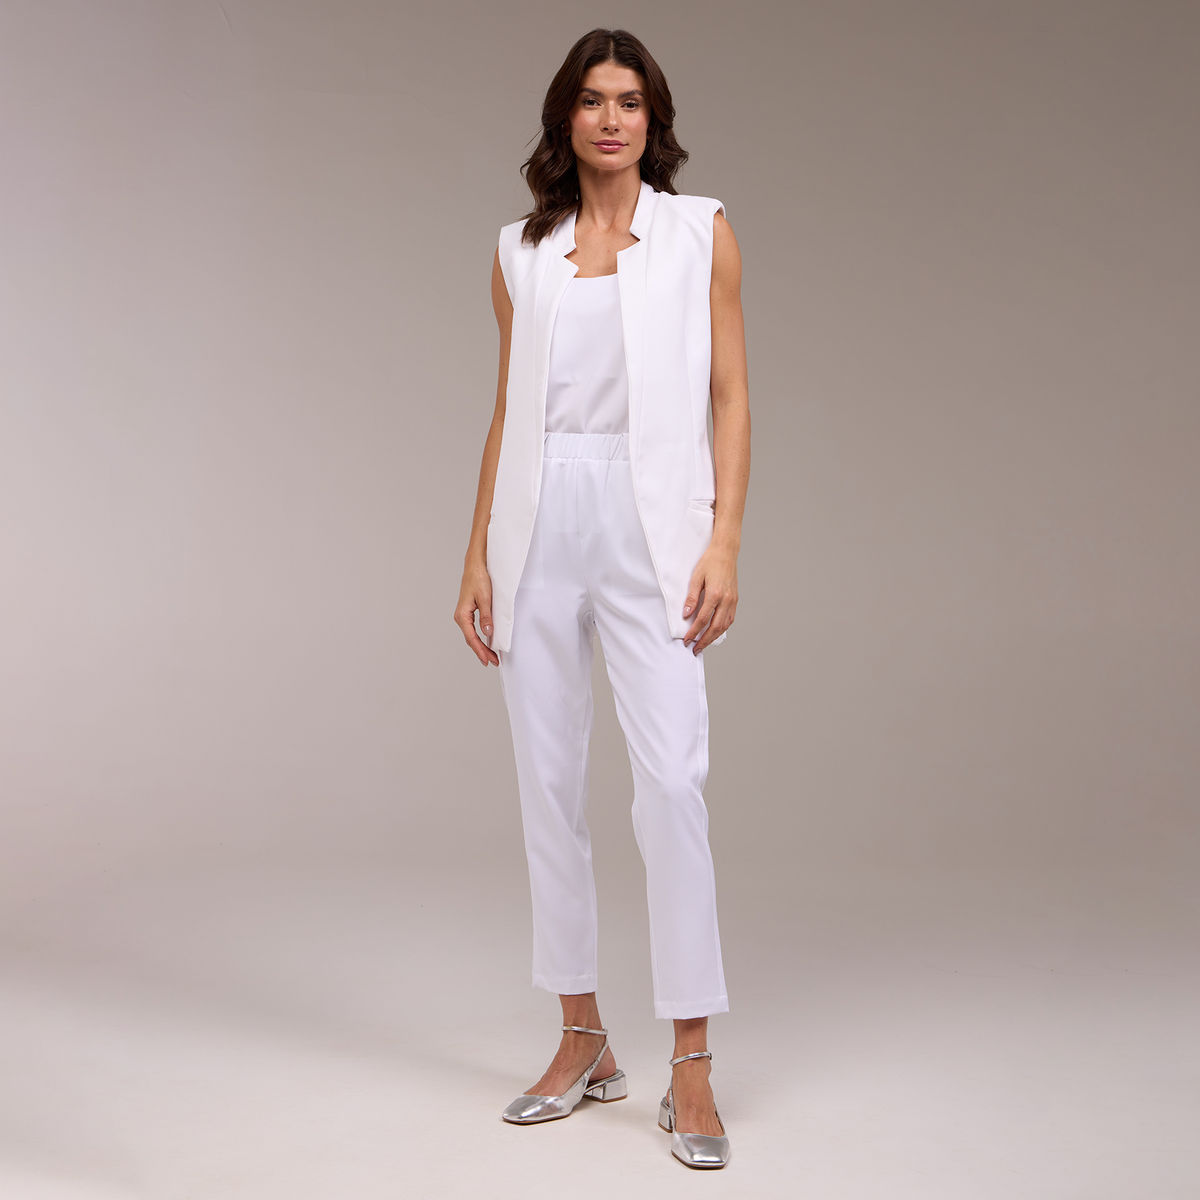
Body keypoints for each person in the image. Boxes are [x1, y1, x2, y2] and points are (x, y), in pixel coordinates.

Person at [453, 27, 750, 1170]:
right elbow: (508, 408)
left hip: (653, 523)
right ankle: (582, 1036)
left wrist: (724, 539)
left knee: (671, 782)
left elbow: (731, 396)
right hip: (538, 523)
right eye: (591, 99)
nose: (611, 118)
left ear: (652, 117)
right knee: (547, 783)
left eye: (629, 100)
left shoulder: (700, 232)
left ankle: (692, 1059)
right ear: (565, 118)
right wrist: (477, 551)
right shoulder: (519, 251)